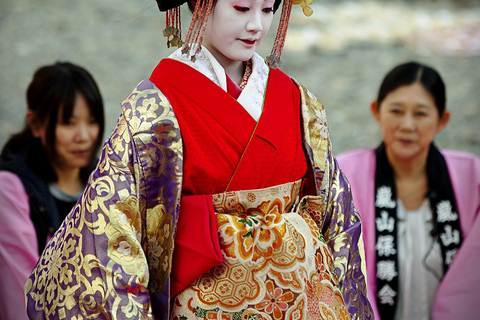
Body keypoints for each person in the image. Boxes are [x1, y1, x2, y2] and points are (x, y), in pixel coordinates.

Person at [25, 1, 372, 319]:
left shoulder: (298, 102)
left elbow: (336, 218)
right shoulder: (154, 111)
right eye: (241, 7)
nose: (257, 25)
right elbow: (112, 240)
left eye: (267, 9)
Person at [337, 61, 480, 320]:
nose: (407, 125)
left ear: (442, 120)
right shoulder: (345, 175)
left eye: (421, 113)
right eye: (396, 111)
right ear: (376, 111)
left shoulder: (472, 177)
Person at [0, 61, 105, 320]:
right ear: (35, 125)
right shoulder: (10, 189)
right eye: (68, 123)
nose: (84, 136)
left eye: (92, 122)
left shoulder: (102, 183)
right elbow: (23, 296)